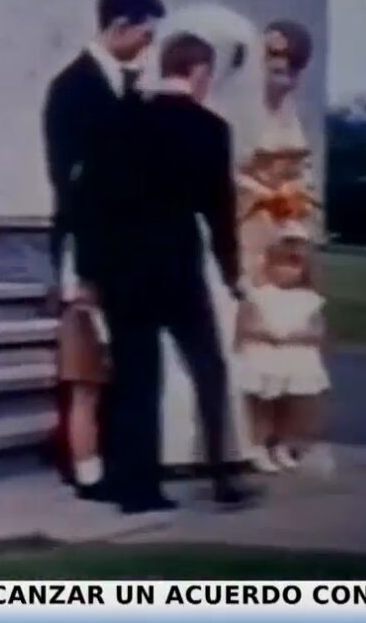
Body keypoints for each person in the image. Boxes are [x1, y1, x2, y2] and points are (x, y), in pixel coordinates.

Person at [84, 32, 257, 513]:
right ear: (199, 71)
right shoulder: (210, 129)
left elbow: (93, 197)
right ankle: (221, 474)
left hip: (124, 264)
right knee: (208, 367)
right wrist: (231, 272)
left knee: (137, 375)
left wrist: (91, 269)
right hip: (177, 262)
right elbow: (219, 211)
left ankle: (134, 484)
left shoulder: (122, 116)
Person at [42, 0, 164, 499]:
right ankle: (85, 467)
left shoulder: (130, 89)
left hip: (126, 249)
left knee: (123, 365)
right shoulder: (73, 87)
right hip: (89, 245)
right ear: (119, 26)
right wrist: (85, 261)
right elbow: (70, 179)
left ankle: (119, 466)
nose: (148, 47)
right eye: (145, 35)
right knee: (87, 366)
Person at [235, 227, 331, 474]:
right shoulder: (259, 296)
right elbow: (244, 327)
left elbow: (318, 332)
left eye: (294, 266)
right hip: (265, 356)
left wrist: (297, 337)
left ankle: (281, 444)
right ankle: (258, 446)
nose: (287, 271)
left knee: (290, 407)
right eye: (280, 265)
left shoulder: (309, 299)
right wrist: (267, 334)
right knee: (263, 406)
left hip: (295, 358)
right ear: (268, 265)